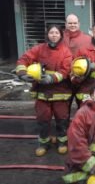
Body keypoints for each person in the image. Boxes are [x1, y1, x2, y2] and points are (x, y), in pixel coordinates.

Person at [16, 25, 72, 156]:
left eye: (56, 33)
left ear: (61, 35)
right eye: (51, 32)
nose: (54, 35)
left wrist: (52, 78)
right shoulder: (39, 49)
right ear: (47, 35)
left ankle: (62, 142)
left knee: (62, 119)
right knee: (42, 120)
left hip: (60, 93)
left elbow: (65, 70)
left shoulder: (66, 51)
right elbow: (24, 59)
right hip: (42, 93)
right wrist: (23, 73)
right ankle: (43, 143)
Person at [64, 13, 92, 110]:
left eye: (75, 23)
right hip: (64, 80)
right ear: (66, 24)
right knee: (64, 109)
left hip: (82, 79)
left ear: (79, 24)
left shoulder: (88, 39)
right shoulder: (60, 39)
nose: (72, 25)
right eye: (70, 23)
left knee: (84, 108)